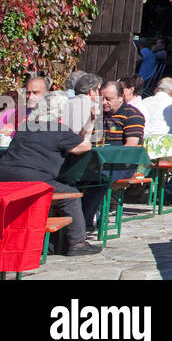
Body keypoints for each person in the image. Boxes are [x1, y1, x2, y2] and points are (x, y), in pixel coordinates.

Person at [0, 92, 100, 256]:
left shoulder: (25, 128)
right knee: (70, 195)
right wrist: (90, 123)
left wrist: (90, 121)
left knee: (55, 193)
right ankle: (77, 243)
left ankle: (51, 242)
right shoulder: (58, 130)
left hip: (4, 177)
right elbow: (85, 146)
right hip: (33, 179)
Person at [82, 80, 145, 231]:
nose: (103, 103)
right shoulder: (97, 114)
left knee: (100, 179)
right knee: (73, 175)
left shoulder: (133, 115)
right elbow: (83, 139)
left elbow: (130, 146)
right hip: (96, 161)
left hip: (122, 163)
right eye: (101, 99)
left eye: (108, 99)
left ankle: (85, 221)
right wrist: (91, 120)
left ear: (121, 97)